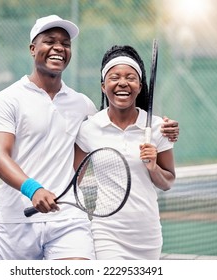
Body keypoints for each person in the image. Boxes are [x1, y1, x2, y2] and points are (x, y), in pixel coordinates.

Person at [0, 15, 179, 260]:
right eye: (50, 41)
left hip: (68, 222)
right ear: (33, 49)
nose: (59, 48)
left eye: (65, 44)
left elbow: (114, 127)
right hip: (17, 220)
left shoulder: (82, 106)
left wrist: (167, 131)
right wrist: (33, 190)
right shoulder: (8, 99)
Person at [75, 45, 176, 260]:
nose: (123, 83)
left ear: (139, 86)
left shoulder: (158, 128)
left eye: (130, 77)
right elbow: (75, 178)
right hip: (106, 233)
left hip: (147, 235)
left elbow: (167, 182)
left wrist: (153, 167)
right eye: (115, 77)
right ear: (103, 86)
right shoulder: (88, 129)